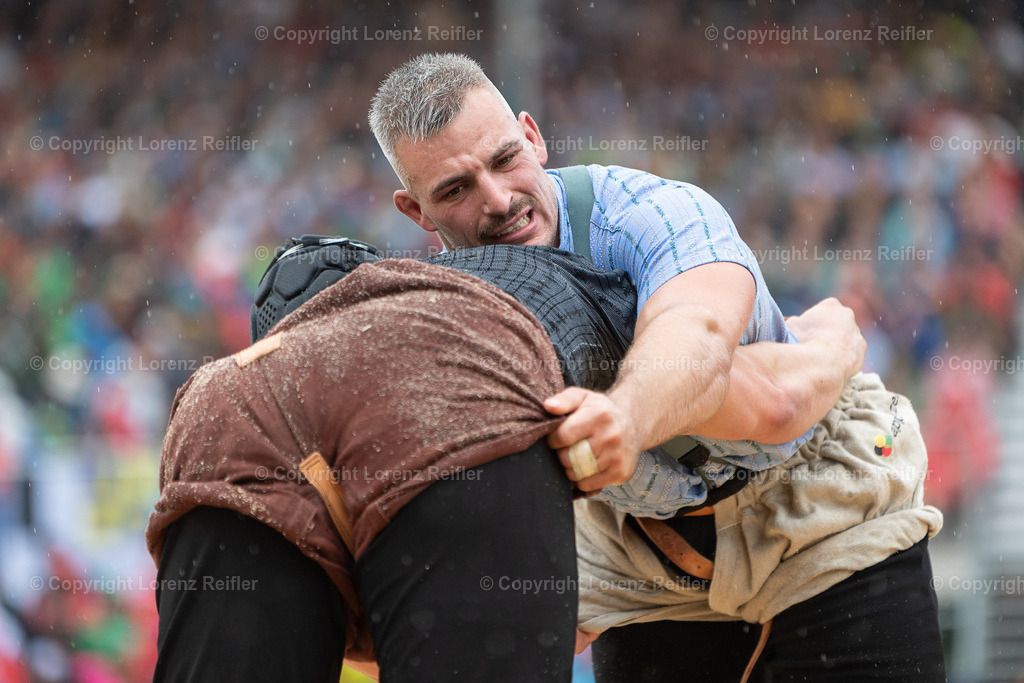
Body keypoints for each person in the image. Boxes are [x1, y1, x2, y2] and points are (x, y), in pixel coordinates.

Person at [368, 52, 945, 680]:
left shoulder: (651, 212)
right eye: (455, 190)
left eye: (506, 159)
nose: (499, 199)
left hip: (820, 512)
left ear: (533, 136)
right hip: (640, 549)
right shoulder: (440, 312)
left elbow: (705, 345)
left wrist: (621, 417)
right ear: (415, 212)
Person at [146, 236, 863, 682]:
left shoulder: (266, 374)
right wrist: (835, 340)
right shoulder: (527, 296)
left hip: (221, 404)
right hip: (454, 379)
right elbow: (767, 398)